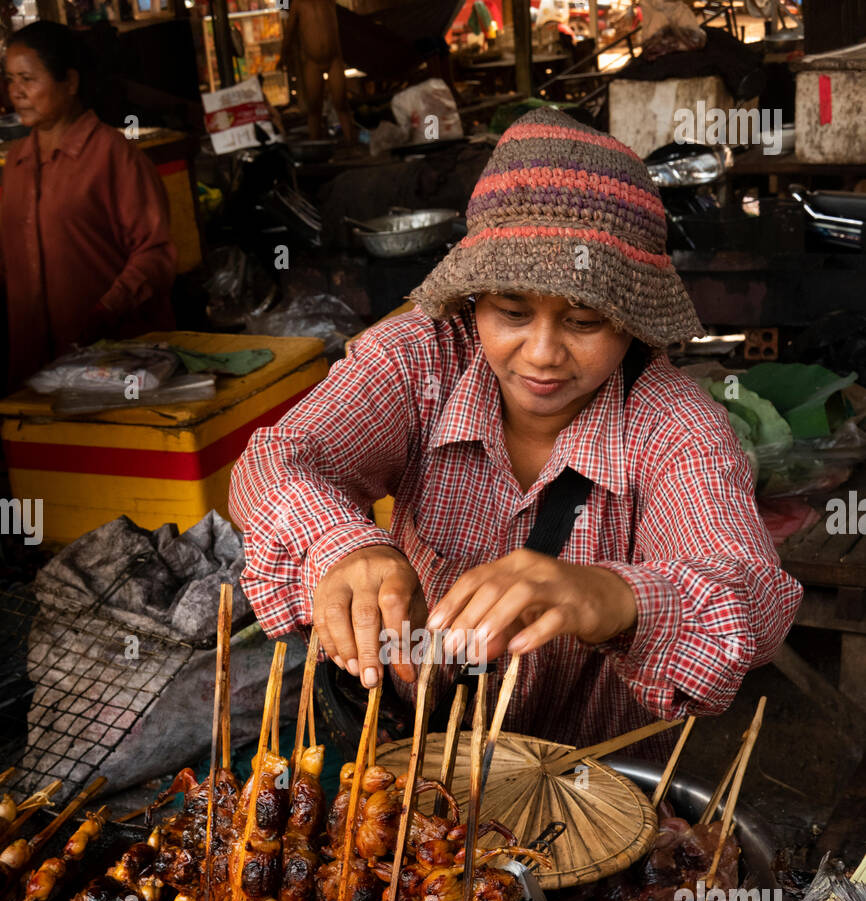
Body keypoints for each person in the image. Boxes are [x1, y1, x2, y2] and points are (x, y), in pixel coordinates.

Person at [229, 109, 801, 751]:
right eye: (512, 312)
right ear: (473, 302)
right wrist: (344, 545)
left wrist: (611, 596)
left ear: (633, 322)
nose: (541, 353)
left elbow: (754, 597)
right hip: (407, 749)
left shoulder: (675, 425)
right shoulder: (420, 359)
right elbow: (280, 459)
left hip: (588, 782)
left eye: (585, 322)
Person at [0, 21, 176, 388]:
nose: (15, 92)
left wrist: (105, 311)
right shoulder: (15, 163)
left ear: (70, 82)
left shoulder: (112, 156)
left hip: (112, 366)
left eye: (27, 79)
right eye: (10, 80)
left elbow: (155, 253)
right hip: (31, 369)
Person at [279, 0, 354, 145]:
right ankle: (315, 145)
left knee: (341, 103)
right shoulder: (298, 4)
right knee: (314, 107)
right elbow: (289, 31)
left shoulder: (328, 2)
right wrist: (283, 55)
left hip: (334, 59)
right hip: (312, 62)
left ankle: (351, 142)